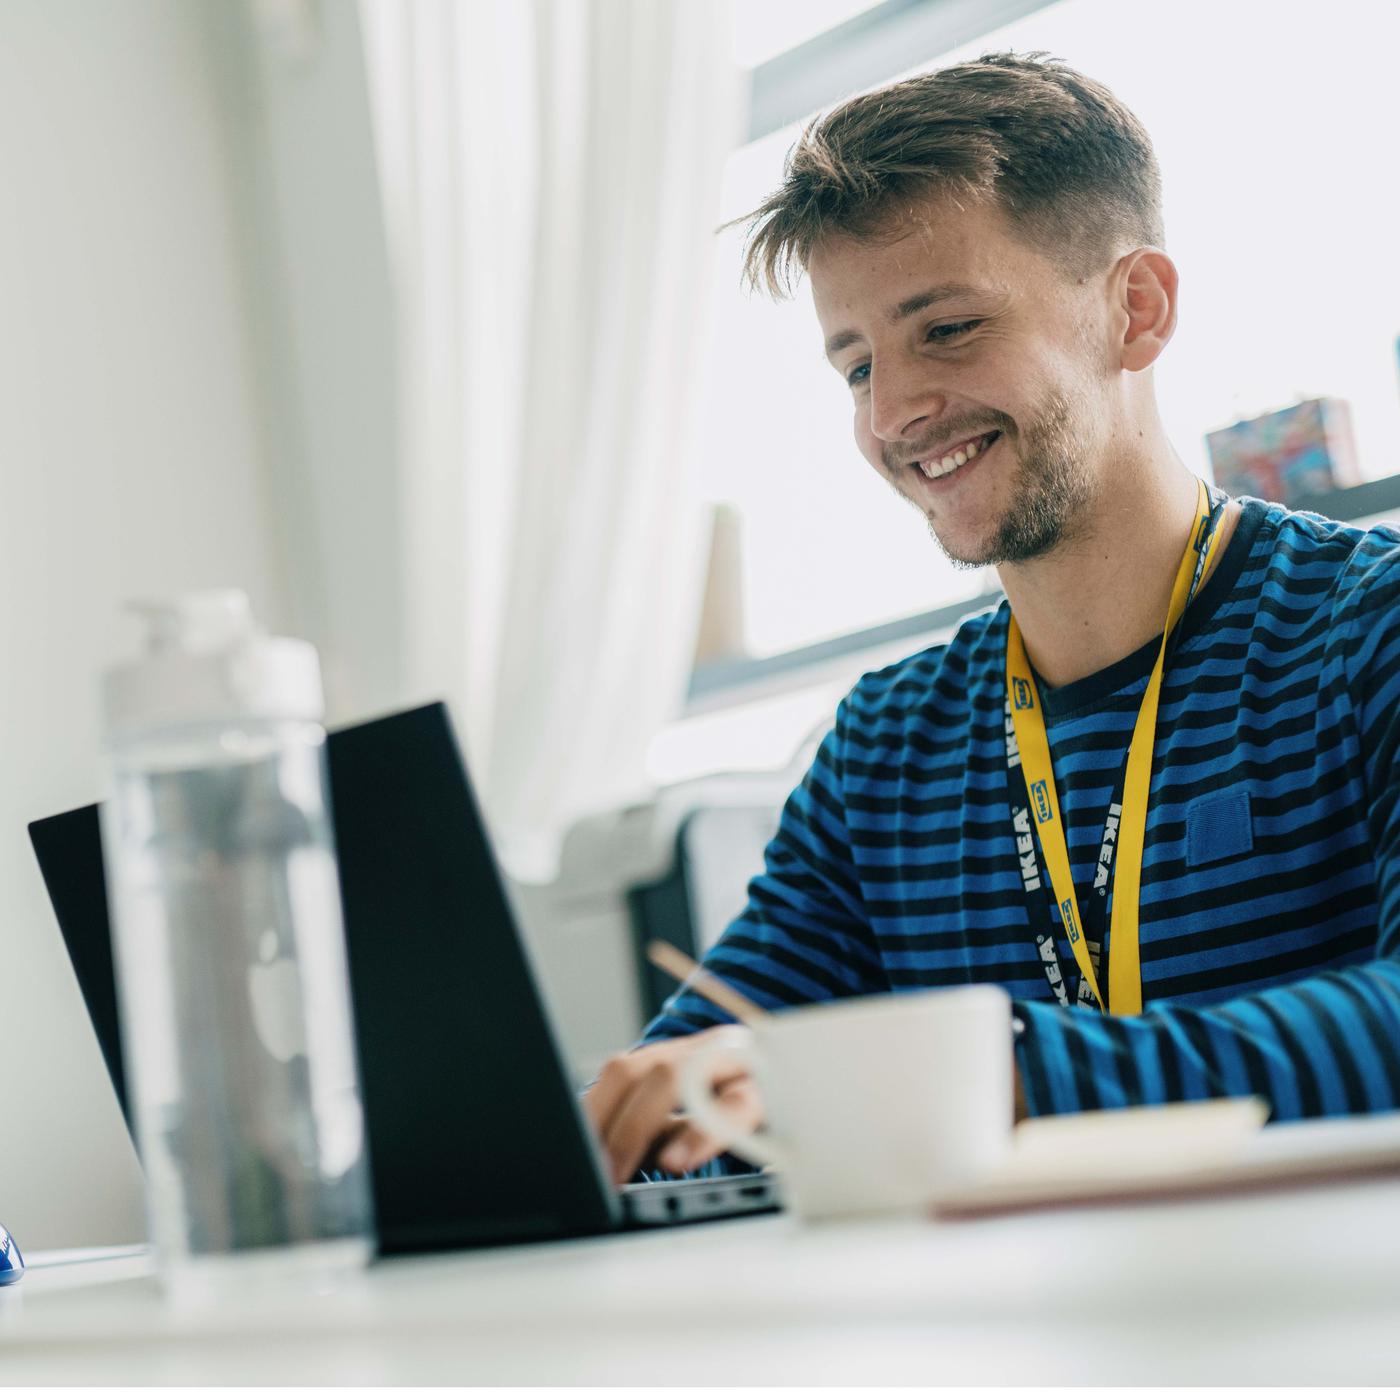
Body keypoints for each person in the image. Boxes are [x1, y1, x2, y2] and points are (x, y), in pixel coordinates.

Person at [583, 51, 1400, 1186]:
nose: (895, 410)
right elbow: (704, 1068)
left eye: (948, 328)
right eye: (855, 362)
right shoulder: (886, 745)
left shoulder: (1367, 626)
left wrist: (996, 1072)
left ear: (1136, 307)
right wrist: (627, 1111)